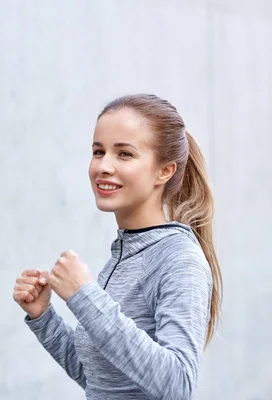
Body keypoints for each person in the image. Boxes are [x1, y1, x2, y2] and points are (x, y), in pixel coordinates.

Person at [13, 93, 222, 399]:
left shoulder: (179, 260)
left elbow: (178, 384)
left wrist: (84, 296)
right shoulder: (125, 254)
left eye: (124, 154)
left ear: (165, 171)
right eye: (98, 152)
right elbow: (100, 378)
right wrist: (43, 316)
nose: (104, 166)